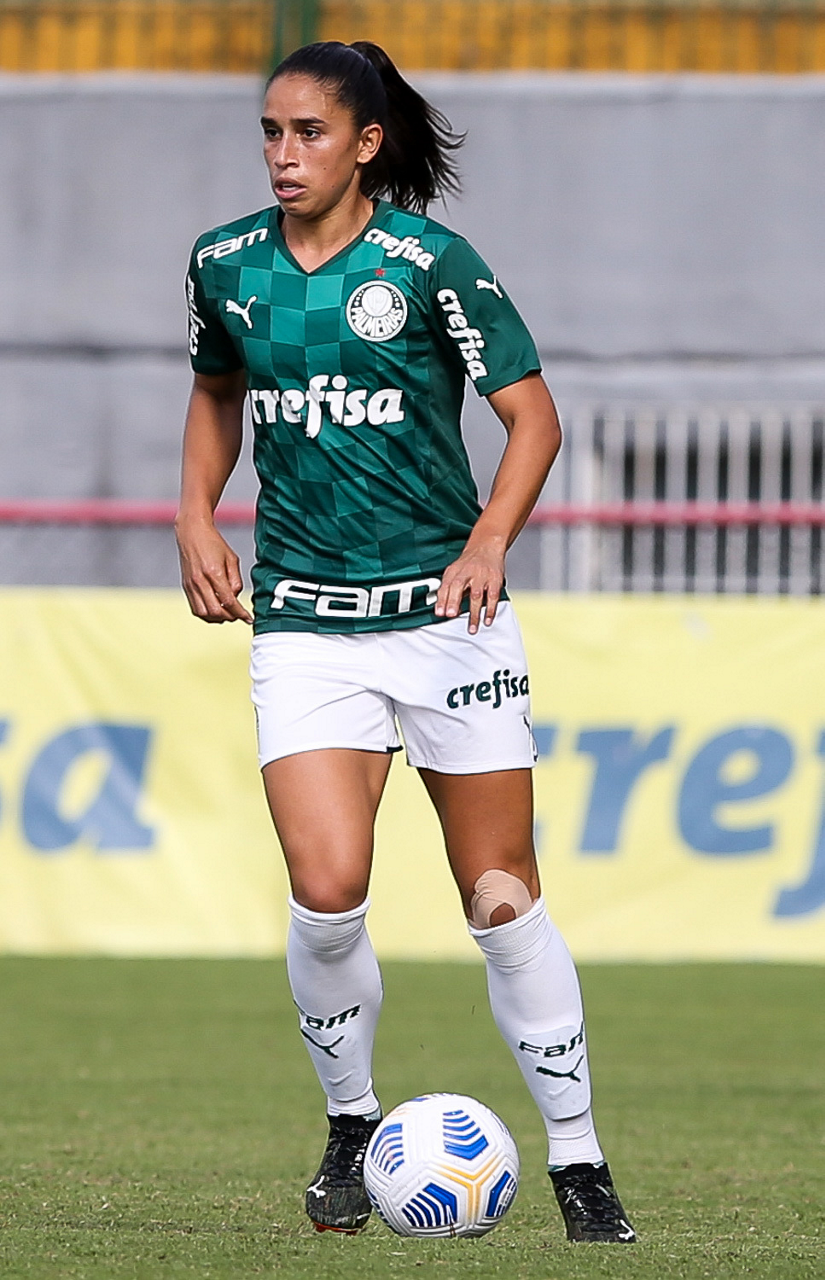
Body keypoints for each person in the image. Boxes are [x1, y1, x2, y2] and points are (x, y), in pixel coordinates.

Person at [176, 39, 635, 1245]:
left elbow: (533, 419)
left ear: (366, 143)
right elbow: (217, 392)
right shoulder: (224, 265)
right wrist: (195, 514)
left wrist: (488, 539)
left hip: (446, 623)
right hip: (306, 621)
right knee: (327, 889)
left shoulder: (432, 265)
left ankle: (579, 1160)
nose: (284, 154)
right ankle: (350, 1120)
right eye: (271, 131)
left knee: (501, 897)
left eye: (309, 132)